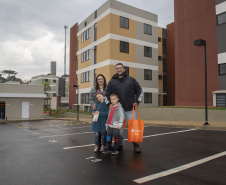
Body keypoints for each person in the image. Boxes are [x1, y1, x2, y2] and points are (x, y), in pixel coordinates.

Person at [105, 63, 143, 153]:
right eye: (117, 68)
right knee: (119, 130)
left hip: (130, 109)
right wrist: (109, 104)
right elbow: (106, 94)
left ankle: (136, 144)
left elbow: (139, 90)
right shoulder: (112, 82)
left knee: (133, 127)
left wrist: (137, 101)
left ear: (124, 69)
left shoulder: (131, 80)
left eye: (120, 68)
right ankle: (119, 144)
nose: (119, 70)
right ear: (115, 70)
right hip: (117, 111)